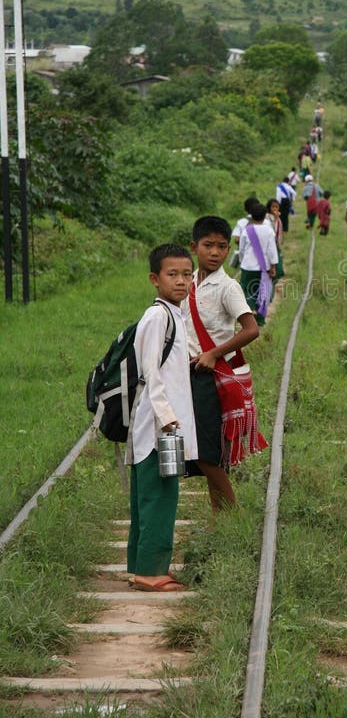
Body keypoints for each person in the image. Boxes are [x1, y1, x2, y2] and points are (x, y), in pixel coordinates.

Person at [127, 243, 198, 592]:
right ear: (155, 279)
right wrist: (167, 417)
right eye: (172, 274)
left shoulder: (174, 315)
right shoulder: (158, 317)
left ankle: (139, 567)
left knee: (149, 496)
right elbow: (150, 373)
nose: (181, 281)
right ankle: (151, 573)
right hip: (159, 425)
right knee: (160, 496)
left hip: (162, 423)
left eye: (187, 274)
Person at [182, 216, 261, 516]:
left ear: (229, 249)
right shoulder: (187, 282)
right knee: (204, 448)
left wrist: (214, 353)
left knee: (206, 452)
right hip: (188, 374)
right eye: (208, 245)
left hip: (211, 376)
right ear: (194, 247)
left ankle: (231, 514)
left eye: (222, 246)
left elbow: (251, 329)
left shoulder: (227, 287)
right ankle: (219, 515)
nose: (215, 252)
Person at [238, 202, 279, 324]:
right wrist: (273, 266)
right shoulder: (269, 231)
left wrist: (241, 260)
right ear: (265, 215)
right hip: (264, 267)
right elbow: (272, 250)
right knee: (262, 291)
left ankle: (251, 309)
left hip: (247, 266)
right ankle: (260, 319)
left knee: (246, 289)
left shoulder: (247, 230)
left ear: (251, 216)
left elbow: (241, 249)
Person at [230, 197, 260, 268]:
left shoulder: (241, 222)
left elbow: (236, 239)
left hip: (245, 255)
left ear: (245, 209)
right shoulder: (264, 222)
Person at [266, 198, 285, 281]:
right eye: (273, 207)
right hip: (269, 243)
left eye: (276, 207)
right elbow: (271, 230)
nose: (274, 209)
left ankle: (275, 277)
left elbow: (279, 231)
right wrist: (275, 219)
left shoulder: (278, 218)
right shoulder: (267, 217)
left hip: (276, 244)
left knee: (277, 262)